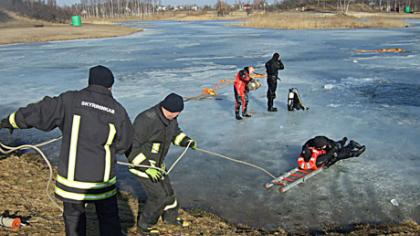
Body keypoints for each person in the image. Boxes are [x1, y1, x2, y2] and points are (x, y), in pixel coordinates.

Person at [0, 65, 133, 236]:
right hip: (102, 182)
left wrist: (11, 121)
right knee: (109, 220)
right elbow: (125, 143)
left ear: (90, 81)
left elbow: (39, 112)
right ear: (111, 85)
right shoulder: (118, 110)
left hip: (72, 182)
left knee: (74, 220)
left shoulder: (70, 100)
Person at [127, 93, 197, 236]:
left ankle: (170, 219)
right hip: (142, 166)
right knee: (158, 196)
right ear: (165, 108)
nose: (175, 115)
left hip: (158, 166)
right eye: (173, 113)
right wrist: (146, 167)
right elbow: (131, 147)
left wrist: (186, 141)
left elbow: (175, 133)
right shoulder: (146, 119)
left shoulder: (172, 118)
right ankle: (145, 226)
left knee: (169, 193)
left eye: (177, 113)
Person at [297, 136, 366, 170]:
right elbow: (304, 151)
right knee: (338, 145)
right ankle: (347, 142)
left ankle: (355, 151)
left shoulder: (330, 146)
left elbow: (335, 157)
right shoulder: (310, 143)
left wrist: (328, 165)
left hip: (334, 147)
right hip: (329, 145)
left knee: (340, 152)